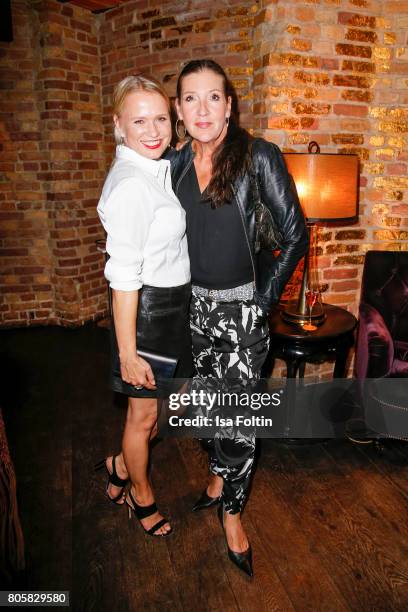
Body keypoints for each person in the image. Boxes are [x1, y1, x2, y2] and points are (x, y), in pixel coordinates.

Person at [168, 59, 309, 575]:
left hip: (242, 310)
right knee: (205, 409)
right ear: (179, 110)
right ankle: (216, 476)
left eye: (213, 97)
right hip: (190, 309)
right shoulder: (177, 163)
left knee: (239, 422)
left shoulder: (257, 157)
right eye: (190, 98)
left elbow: (297, 235)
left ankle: (232, 514)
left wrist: (263, 302)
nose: (202, 109)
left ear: (229, 106)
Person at [96, 75, 191, 537]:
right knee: (145, 415)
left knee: (163, 411)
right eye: (139, 120)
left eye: (160, 119)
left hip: (173, 306)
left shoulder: (156, 166)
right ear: (119, 124)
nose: (153, 131)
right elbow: (124, 279)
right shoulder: (132, 184)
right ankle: (141, 494)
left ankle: (118, 465)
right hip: (147, 311)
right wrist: (128, 353)